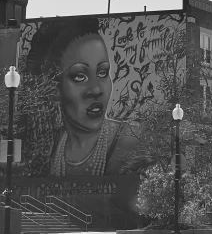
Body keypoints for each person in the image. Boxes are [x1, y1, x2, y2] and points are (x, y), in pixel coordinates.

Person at [24, 16, 136, 176]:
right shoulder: (48, 149)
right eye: (80, 76)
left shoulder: (132, 142)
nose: (96, 89)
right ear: (53, 90)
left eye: (102, 72)